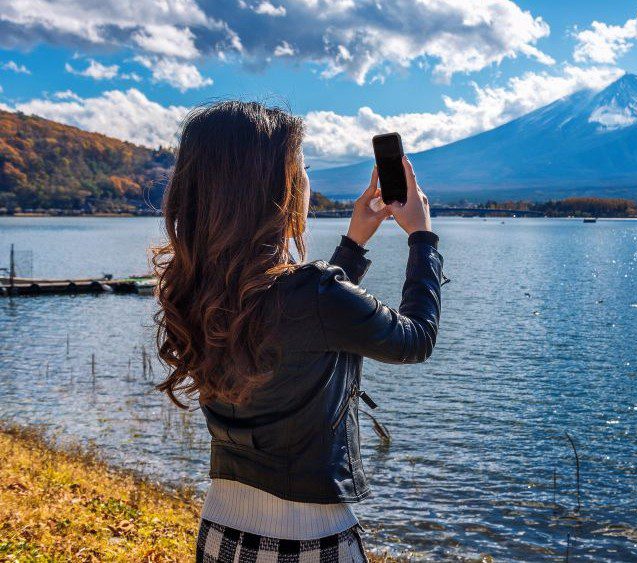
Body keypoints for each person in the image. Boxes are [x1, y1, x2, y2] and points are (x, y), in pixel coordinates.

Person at [151, 101, 443, 562]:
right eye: (301, 168)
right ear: (275, 187)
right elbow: (415, 339)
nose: (307, 182)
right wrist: (422, 238)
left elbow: (300, 319)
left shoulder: (204, 287)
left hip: (221, 531)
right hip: (308, 540)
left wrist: (353, 243)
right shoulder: (309, 296)